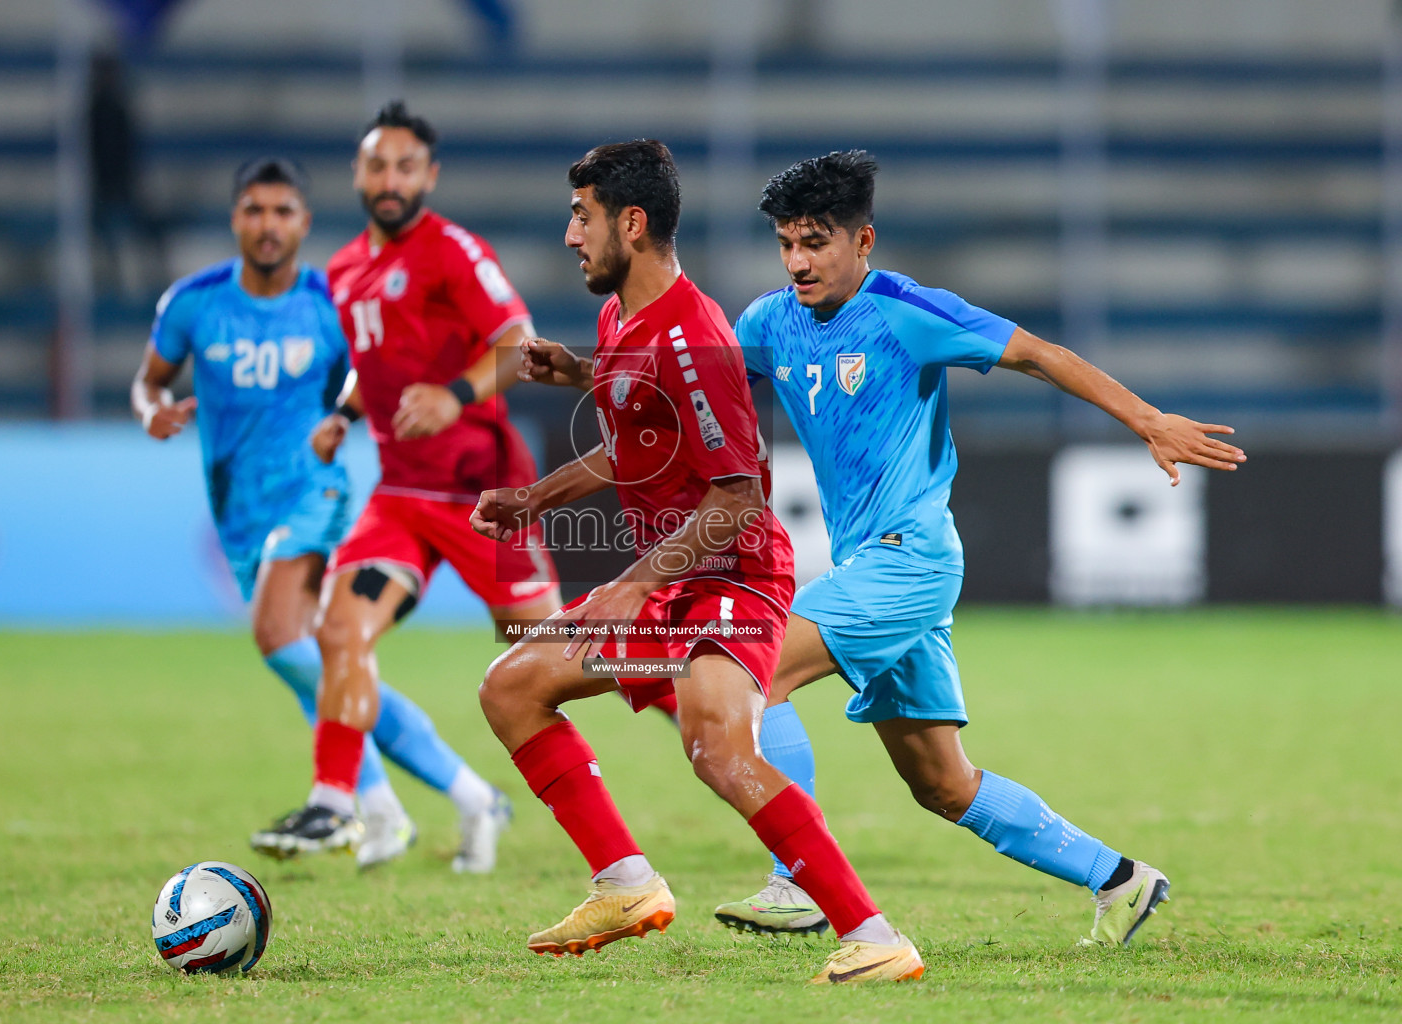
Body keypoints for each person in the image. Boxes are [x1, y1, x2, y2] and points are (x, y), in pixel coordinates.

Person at [525, 149, 1245, 946]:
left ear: (862, 242)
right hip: (868, 566)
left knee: (747, 671)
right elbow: (686, 381)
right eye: (787, 244)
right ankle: (1121, 880)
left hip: (912, 559)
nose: (798, 262)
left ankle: (794, 882)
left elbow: (1039, 354)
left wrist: (1148, 420)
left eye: (816, 243)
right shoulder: (769, 321)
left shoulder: (907, 312)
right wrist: (582, 373)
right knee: (942, 784)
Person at [471, 140, 926, 985]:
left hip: (733, 578)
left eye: (583, 216)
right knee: (511, 686)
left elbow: (737, 499)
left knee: (717, 744)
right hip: (668, 580)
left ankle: (874, 936)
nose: (571, 235)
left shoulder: (695, 336)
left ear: (631, 224)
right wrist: (535, 495)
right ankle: (625, 882)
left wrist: (629, 583)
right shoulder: (620, 321)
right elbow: (635, 444)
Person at [133, 157, 503, 872]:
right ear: (235, 218)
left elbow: (377, 364)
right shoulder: (194, 302)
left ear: (303, 221)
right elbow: (148, 380)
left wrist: (343, 414)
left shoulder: (331, 300)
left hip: (315, 494)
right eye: (254, 210)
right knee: (321, 666)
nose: (268, 225)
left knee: (282, 638)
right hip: (239, 512)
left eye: (282, 212)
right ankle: (437, 800)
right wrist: (153, 412)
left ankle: (345, 804)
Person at [247, 102, 562, 872]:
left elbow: (519, 345)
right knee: (339, 629)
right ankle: (333, 802)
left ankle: (683, 710)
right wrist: (346, 413)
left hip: (483, 494)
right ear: (358, 174)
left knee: (553, 665)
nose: (390, 180)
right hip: (402, 497)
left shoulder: (453, 251)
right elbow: (379, 359)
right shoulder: (347, 270)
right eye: (377, 165)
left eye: (405, 166)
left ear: (430, 175)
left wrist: (455, 394)